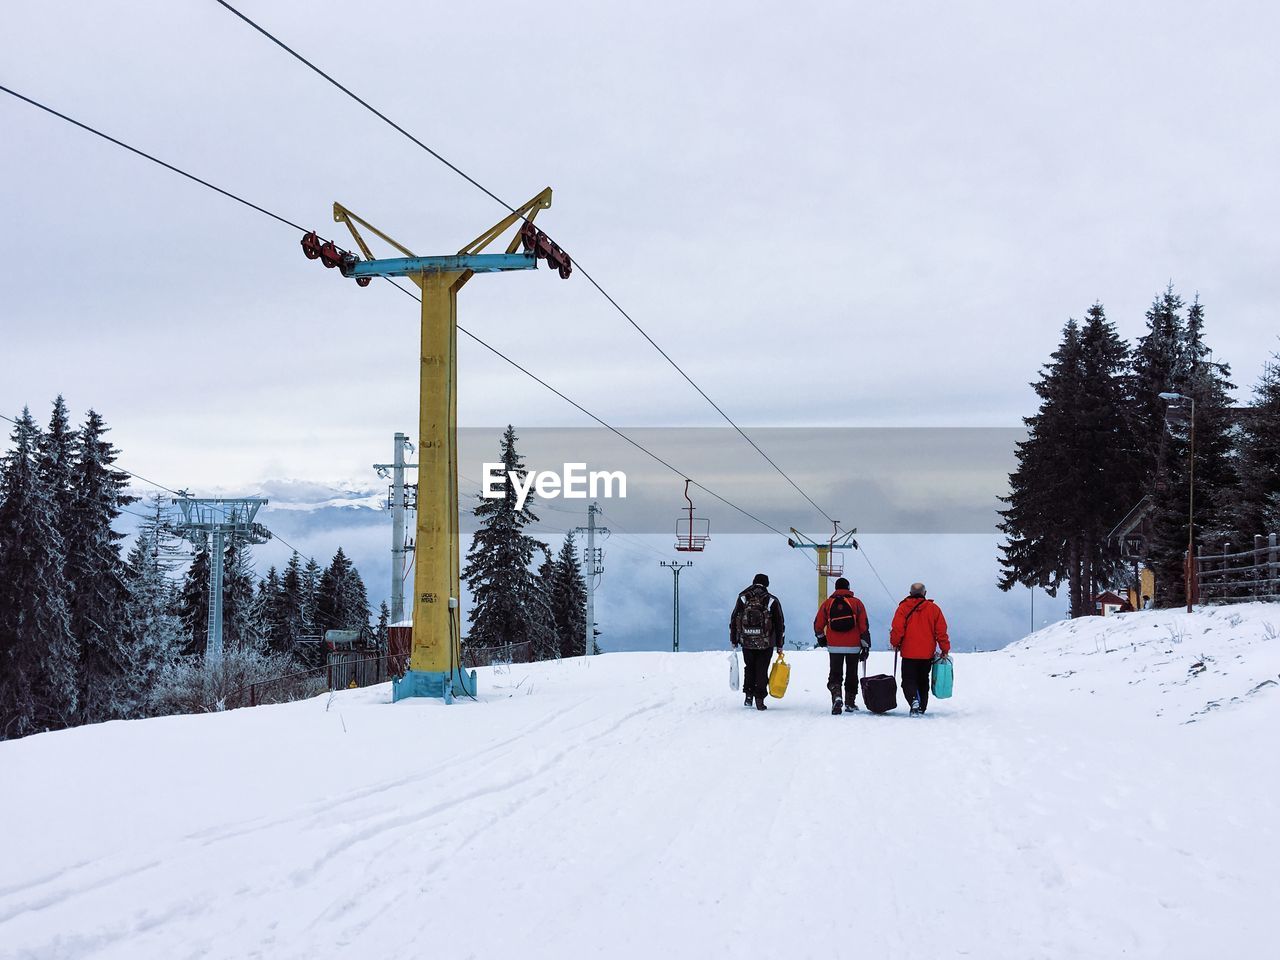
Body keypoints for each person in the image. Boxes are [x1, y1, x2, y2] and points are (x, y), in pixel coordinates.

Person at [889, 582, 950, 716]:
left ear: (910, 593)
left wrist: (895, 642)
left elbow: (897, 628)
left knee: (908, 680)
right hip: (926, 654)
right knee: (923, 680)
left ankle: (913, 700)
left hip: (909, 653)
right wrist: (944, 648)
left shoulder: (903, 608)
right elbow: (941, 631)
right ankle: (921, 706)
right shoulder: (934, 609)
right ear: (925, 593)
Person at [813, 577, 870, 714]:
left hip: (834, 645)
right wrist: (866, 645)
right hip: (854, 646)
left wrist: (822, 638)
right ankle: (850, 703)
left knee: (835, 673)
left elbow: (818, 624)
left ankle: (837, 696)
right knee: (852, 674)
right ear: (849, 588)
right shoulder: (857, 603)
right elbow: (864, 626)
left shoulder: (828, 603)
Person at [729, 573, 785, 710]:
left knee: (749, 667)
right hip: (766, 643)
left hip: (747, 641)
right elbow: (779, 623)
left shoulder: (743, 598)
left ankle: (748, 696)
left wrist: (734, 639)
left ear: (753, 582)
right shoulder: (772, 600)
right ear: (767, 584)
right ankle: (759, 699)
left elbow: (734, 618)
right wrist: (779, 644)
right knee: (762, 669)